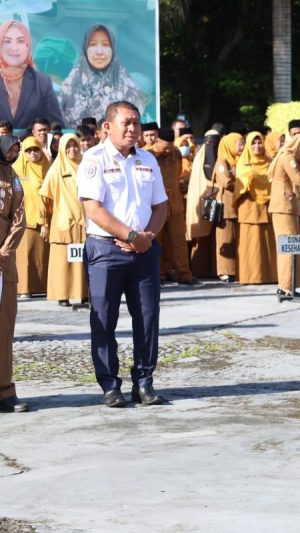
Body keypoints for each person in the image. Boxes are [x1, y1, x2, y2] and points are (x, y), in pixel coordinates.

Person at [77, 101, 168, 408]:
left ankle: (144, 382)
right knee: (104, 319)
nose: (132, 129)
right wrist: (130, 236)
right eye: (126, 123)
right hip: (106, 250)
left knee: (148, 317)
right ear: (107, 127)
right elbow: (93, 208)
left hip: (145, 251)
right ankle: (109, 385)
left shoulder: (147, 159)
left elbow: (160, 206)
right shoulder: (94, 158)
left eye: (136, 123)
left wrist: (146, 237)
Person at [141, 122, 196, 285]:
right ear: (157, 141)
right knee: (155, 242)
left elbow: (178, 173)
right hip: (154, 207)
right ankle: (157, 275)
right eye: (165, 147)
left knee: (179, 242)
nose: (168, 150)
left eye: (171, 147)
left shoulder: (176, 153)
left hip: (174, 205)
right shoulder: (146, 155)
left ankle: (184, 275)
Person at [60, 25, 146, 128]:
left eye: (105, 45)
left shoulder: (128, 88)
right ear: (85, 49)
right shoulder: (70, 86)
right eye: (92, 44)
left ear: (113, 49)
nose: (99, 52)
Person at [39, 134, 88, 307]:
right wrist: (44, 223)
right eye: (68, 147)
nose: (72, 150)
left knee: (84, 260)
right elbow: (44, 197)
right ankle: (62, 295)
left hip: (85, 221)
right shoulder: (56, 169)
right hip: (63, 222)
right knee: (62, 261)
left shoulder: (86, 166)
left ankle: (85, 293)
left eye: (75, 146)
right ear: (61, 148)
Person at [0, 134, 27, 413]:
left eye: (15, 151)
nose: (12, 154)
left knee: (4, 327)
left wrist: (5, 250)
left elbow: (19, 216)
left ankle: (5, 391)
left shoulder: (12, 176)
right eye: (9, 150)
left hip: (4, 263)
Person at [268, 130, 300, 295]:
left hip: (284, 206)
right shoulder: (288, 158)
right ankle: (286, 286)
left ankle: (289, 286)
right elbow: (299, 180)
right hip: (284, 207)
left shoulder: (283, 155)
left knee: (289, 246)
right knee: (289, 247)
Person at [0, 21, 64, 128]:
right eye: (7, 41)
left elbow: (56, 125)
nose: (14, 48)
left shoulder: (42, 82)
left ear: (28, 45)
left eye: (20, 41)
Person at [233, 131, 278, 284]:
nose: (257, 146)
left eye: (259, 143)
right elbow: (241, 183)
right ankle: (250, 276)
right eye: (253, 143)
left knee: (267, 241)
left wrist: (258, 179)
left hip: (267, 207)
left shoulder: (269, 162)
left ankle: (270, 275)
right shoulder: (243, 163)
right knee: (251, 243)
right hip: (249, 207)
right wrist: (252, 178)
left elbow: (275, 180)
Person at [12, 136, 49, 297]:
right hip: (24, 221)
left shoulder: (49, 168)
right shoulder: (16, 169)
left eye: (36, 149)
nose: (32, 153)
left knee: (44, 256)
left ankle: (44, 287)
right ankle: (25, 289)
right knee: (25, 257)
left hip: (46, 220)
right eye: (28, 150)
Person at [185, 129, 219, 278]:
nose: (212, 144)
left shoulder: (203, 154)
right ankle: (199, 269)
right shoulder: (202, 156)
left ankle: (212, 269)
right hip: (203, 200)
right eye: (210, 141)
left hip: (208, 200)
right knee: (201, 238)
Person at [212, 132, 244, 282]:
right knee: (225, 238)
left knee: (235, 238)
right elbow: (226, 182)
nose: (242, 147)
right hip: (226, 206)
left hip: (236, 204)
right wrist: (244, 185)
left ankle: (235, 269)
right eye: (239, 144)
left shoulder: (238, 160)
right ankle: (225, 271)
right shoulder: (222, 162)